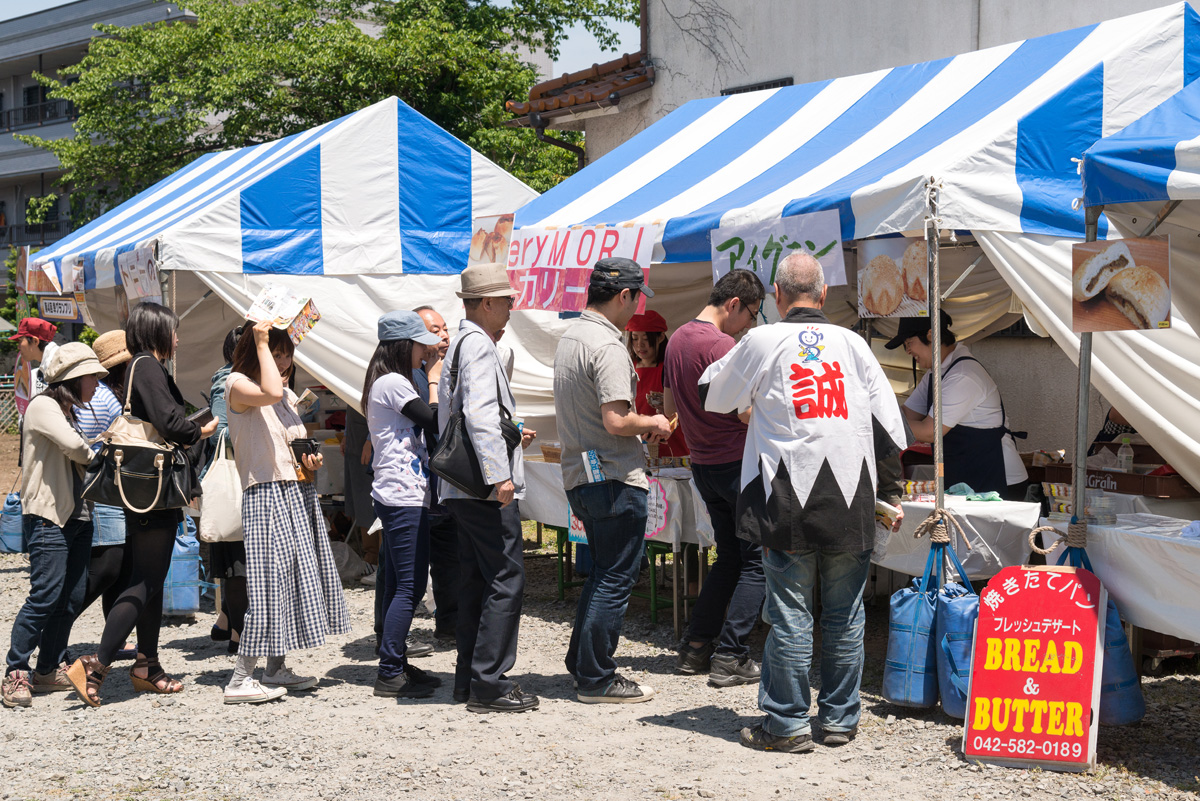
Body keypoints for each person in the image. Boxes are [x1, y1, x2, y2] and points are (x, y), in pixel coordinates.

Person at [700, 253, 906, 752]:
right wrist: (891, 494)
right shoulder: (855, 344)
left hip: (788, 494)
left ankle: (787, 723)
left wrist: (757, 397)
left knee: (791, 613)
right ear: (824, 294)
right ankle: (839, 720)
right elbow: (889, 428)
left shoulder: (763, 339)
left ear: (776, 293)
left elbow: (714, 395)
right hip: (852, 493)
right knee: (845, 614)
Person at [67, 302, 218, 707]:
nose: (177, 338)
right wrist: (201, 428)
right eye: (173, 331)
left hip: (143, 491)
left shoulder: (138, 368)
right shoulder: (148, 366)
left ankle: (147, 665)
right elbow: (173, 425)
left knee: (150, 579)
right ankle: (96, 663)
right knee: (146, 580)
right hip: (153, 492)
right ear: (156, 332)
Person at [554, 257, 671, 704]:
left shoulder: (571, 338)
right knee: (615, 577)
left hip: (581, 474)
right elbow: (616, 419)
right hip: (614, 475)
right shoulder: (606, 345)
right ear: (625, 295)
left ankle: (584, 664)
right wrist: (653, 421)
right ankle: (598, 678)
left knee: (602, 573)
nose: (637, 306)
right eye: (637, 296)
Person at [222, 320, 350, 704]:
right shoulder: (238, 385)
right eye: (276, 353)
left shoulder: (285, 396)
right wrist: (261, 341)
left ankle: (275, 667)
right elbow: (270, 389)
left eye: (286, 354)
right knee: (267, 586)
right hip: (265, 496)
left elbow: (288, 445)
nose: (284, 362)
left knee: (291, 582)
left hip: (294, 492)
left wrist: (308, 461)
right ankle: (240, 678)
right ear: (254, 350)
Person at [438, 262, 539, 713]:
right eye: (506, 300)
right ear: (485, 303)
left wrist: (508, 437)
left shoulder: (460, 343)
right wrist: (500, 472)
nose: (512, 307)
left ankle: (470, 678)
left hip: (461, 486)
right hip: (483, 486)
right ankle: (490, 683)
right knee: (505, 576)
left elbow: (468, 412)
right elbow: (478, 413)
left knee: (477, 579)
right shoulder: (478, 344)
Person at [662, 269, 767, 685]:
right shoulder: (723, 345)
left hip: (702, 462)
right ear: (734, 304)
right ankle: (731, 654)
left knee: (729, 557)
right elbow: (743, 410)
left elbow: (671, 403)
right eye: (753, 314)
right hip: (736, 462)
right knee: (756, 560)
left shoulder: (677, 339)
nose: (752, 325)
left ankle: (695, 645)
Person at [3, 344, 107, 708]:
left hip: (75, 515)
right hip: (49, 516)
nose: (97, 384)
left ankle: (47, 669)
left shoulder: (63, 410)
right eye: (93, 376)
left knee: (71, 597)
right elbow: (75, 449)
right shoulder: (44, 405)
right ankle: (15, 672)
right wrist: (100, 452)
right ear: (74, 379)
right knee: (45, 595)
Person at [364, 311, 445, 699]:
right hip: (401, 495)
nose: (425, 349)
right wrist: (433, 377)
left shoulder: (390, 380)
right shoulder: (393, 381)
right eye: (419, 343)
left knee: (401, 582)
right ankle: (389, 671)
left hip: (404, 493)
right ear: (403, 345)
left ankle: (395, 661)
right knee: (409, 587)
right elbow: (432, 419)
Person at [888, 312, 1028, 499]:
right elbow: (907, 415)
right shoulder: (934, 373)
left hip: (999, 480)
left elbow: (930, 431)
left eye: (908, 343)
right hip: (966, 478)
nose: (907, 351)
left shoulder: (963, 374)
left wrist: (882, 421)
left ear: (931, 335)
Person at [71, 331, 135, 657]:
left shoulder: (111, 394)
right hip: (101, 485)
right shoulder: (104, 397)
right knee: (108, 564)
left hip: (111, 486)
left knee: (119, 565)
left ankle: (115, 639)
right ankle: (57, 622)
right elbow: (82, 436)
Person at [413, 305, 459, 643]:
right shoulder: (412, 375)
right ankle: (391, 634)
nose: (443, 335)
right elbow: (429, 423)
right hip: (417, 483)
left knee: (448, 556)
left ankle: (449, 623)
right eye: (434, 330)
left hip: (447, 483)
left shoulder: (451, 369)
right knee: (409, 563)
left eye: (444, 328)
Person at [206, 327, 247, 655]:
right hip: (234, 476)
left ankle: (226, 622)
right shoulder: (229, 379)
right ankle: (238, 634)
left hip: (241, 473)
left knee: (237, 561)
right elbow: (223, 429)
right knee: (237, 562)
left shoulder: (234, 377)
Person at [626, 310, 688, 457]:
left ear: (660, 337)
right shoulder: (627, 367)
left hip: (671, 447)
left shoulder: (670, 367)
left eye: (646, 338)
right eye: (635, 338)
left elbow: (686, 407)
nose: (640, 345)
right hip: (636, 445)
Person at [10, 317, 59, 401]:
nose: (18, 347)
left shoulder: (57, 363)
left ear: (35, 341)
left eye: (20, 341)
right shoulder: (46, 364)